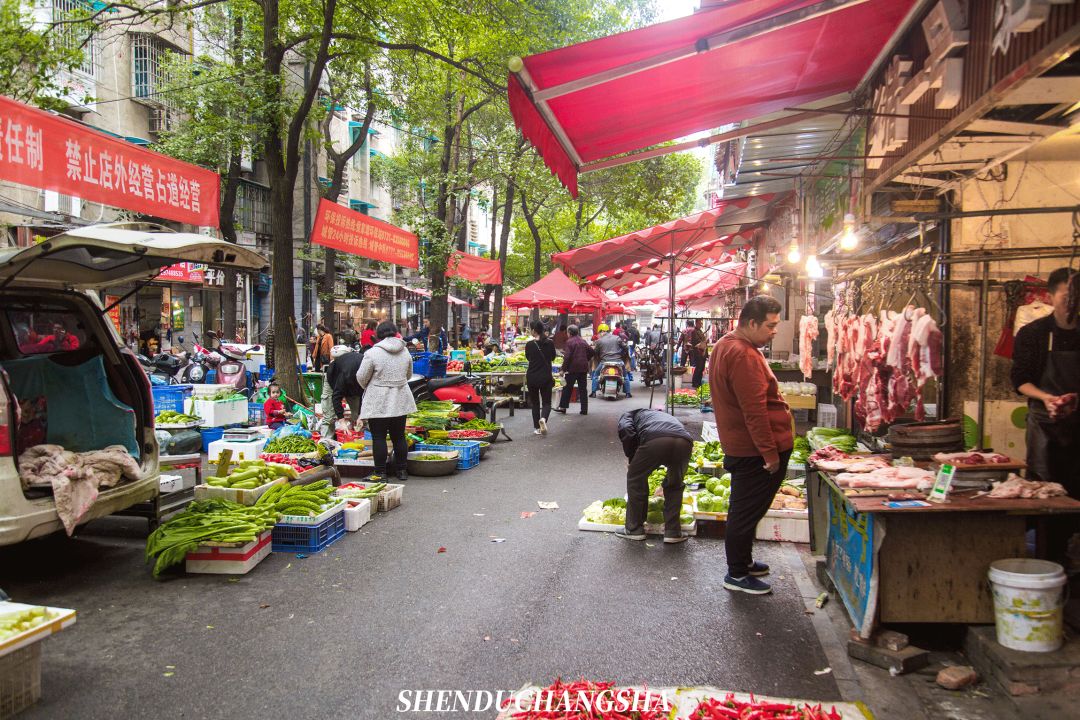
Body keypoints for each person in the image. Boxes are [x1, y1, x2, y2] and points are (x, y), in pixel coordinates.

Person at [708, 295, 792, 595]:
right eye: (770, 326)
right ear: (751, 323)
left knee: (746, 509)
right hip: (753, 450)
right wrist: (769, 453)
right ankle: (737, 574)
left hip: (742, 445)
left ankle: (743, 562)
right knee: (745, 511)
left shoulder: (725, 345)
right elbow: (754, 409)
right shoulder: (742, 354)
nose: (774, 332)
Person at [1011, 267, 1079, 561]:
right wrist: (1048, 398)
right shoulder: (1033, 333)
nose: (1072, 301)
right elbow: (1020, 379)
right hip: (1044, 424)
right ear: (1051, 296)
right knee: (1045, 489)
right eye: (1067, 294)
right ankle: (1049, 558)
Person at [616, 408, 694, 544]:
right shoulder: (659, 416)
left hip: (656, 440)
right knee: (675, 484)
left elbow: (627, 432)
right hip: (685, 442)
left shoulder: (628, 415)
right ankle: (673, 532)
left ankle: (634, 529)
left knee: (636, 478)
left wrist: (632, 459)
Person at [356, 321, 417, 481]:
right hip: (400, 398)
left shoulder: (372, 353)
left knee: (378, 437)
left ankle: (380, 472)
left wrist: (372, 385)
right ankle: (402, 470)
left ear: (378, 334)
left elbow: (361, 377)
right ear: (395, 332)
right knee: (399, 436)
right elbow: (409, 375)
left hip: (378, 399)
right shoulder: (404, 352)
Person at [525, 320, 557, 436]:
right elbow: (553, 357)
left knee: (535, 403)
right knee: (547, 402)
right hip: (545, 377)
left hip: (532, 377)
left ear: (534, 330)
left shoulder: (529, 344)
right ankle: (543, 418)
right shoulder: (550, 343)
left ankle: (536, 428)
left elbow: (528, 358)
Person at [554, 324, 592, 415]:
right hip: (583, 368)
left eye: (567, 332)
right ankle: (584, 410)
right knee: (583, 389)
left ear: (570, 332)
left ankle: (563, 407)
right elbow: (591, 351)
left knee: (567, 388)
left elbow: (567, 357)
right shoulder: (583, 341)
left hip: (573, 368)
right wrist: (585, 358)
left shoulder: (569, 342)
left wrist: (563, 369)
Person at [326, 345, 365, 433]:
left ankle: (356, 429)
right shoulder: (344, 376)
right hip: (334, 375)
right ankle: (328, 439)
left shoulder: (368, 376)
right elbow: (336, 396)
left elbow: (366, 397)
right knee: (329, 415)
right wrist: (341, 421)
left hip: (355, 378)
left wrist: (361, 416)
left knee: (358, 416)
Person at [590, 324, 632, 398]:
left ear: (602, 331)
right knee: (625, 376)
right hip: (618, 362)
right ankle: (628, 393)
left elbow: (595, 352)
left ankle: (593, 393)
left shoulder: (599, 341)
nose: (599, 335)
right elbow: (626, 347)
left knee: (596, 375)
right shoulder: (617, 338)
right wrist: (622, 353)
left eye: (599, 333)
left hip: (604, 362)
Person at [682, 319, 707, 388]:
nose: (701, 325)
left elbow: (702, 340)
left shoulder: (700, 331)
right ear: (696, 323)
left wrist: (704, 342)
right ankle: (695, 382)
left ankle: (698, 382)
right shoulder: (694, 331)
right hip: (698, 352)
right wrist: (703, 342)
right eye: (700, 323)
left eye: (701, 323)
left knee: (701, 368)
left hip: (702, 352)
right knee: (698, 368)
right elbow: (696, 341)